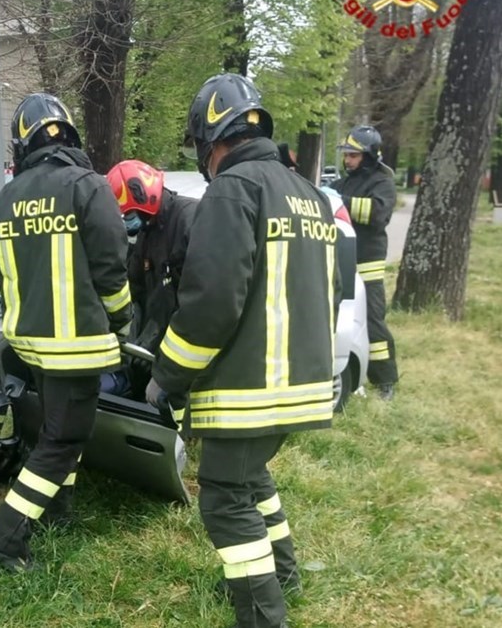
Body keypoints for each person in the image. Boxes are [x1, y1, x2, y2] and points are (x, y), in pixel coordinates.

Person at [146, 73, 340, 628]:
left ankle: (262, 616)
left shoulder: (233, 189)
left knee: (226, 501)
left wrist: (168, 375)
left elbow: (210, 304)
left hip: (250, 385)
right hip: (299, 379)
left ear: (211, 142)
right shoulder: (309, 194)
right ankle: (285, 573)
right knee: (252, 477)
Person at [0, 93, 132, 572]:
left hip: (28, 344)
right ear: (68, 134)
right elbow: (111, 265)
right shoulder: (87, 185)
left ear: (22, 143)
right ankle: (6, 539)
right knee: (63, 441)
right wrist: (122, 319)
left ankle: (58, 513)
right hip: (78, 347)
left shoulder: (6, 198)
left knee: (54, 431)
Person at [105, 159, 197, 396]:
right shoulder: (147, 235)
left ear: (144, 200)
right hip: (153, 351)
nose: (127, 222)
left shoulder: (189, 221)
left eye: (128, 215)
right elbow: (134, 289)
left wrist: (151, 342)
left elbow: (193, 303)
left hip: (184, 355)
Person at [332, 125, 398, 401]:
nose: (347, 160)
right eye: (346, 155)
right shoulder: (346, 181)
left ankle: (385, 382)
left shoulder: (382, 181)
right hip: (341, 259)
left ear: (369, 156)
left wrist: (340, 201)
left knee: (372, 321)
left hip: (367, 263)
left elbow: (378, 212)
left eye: (353, 156)